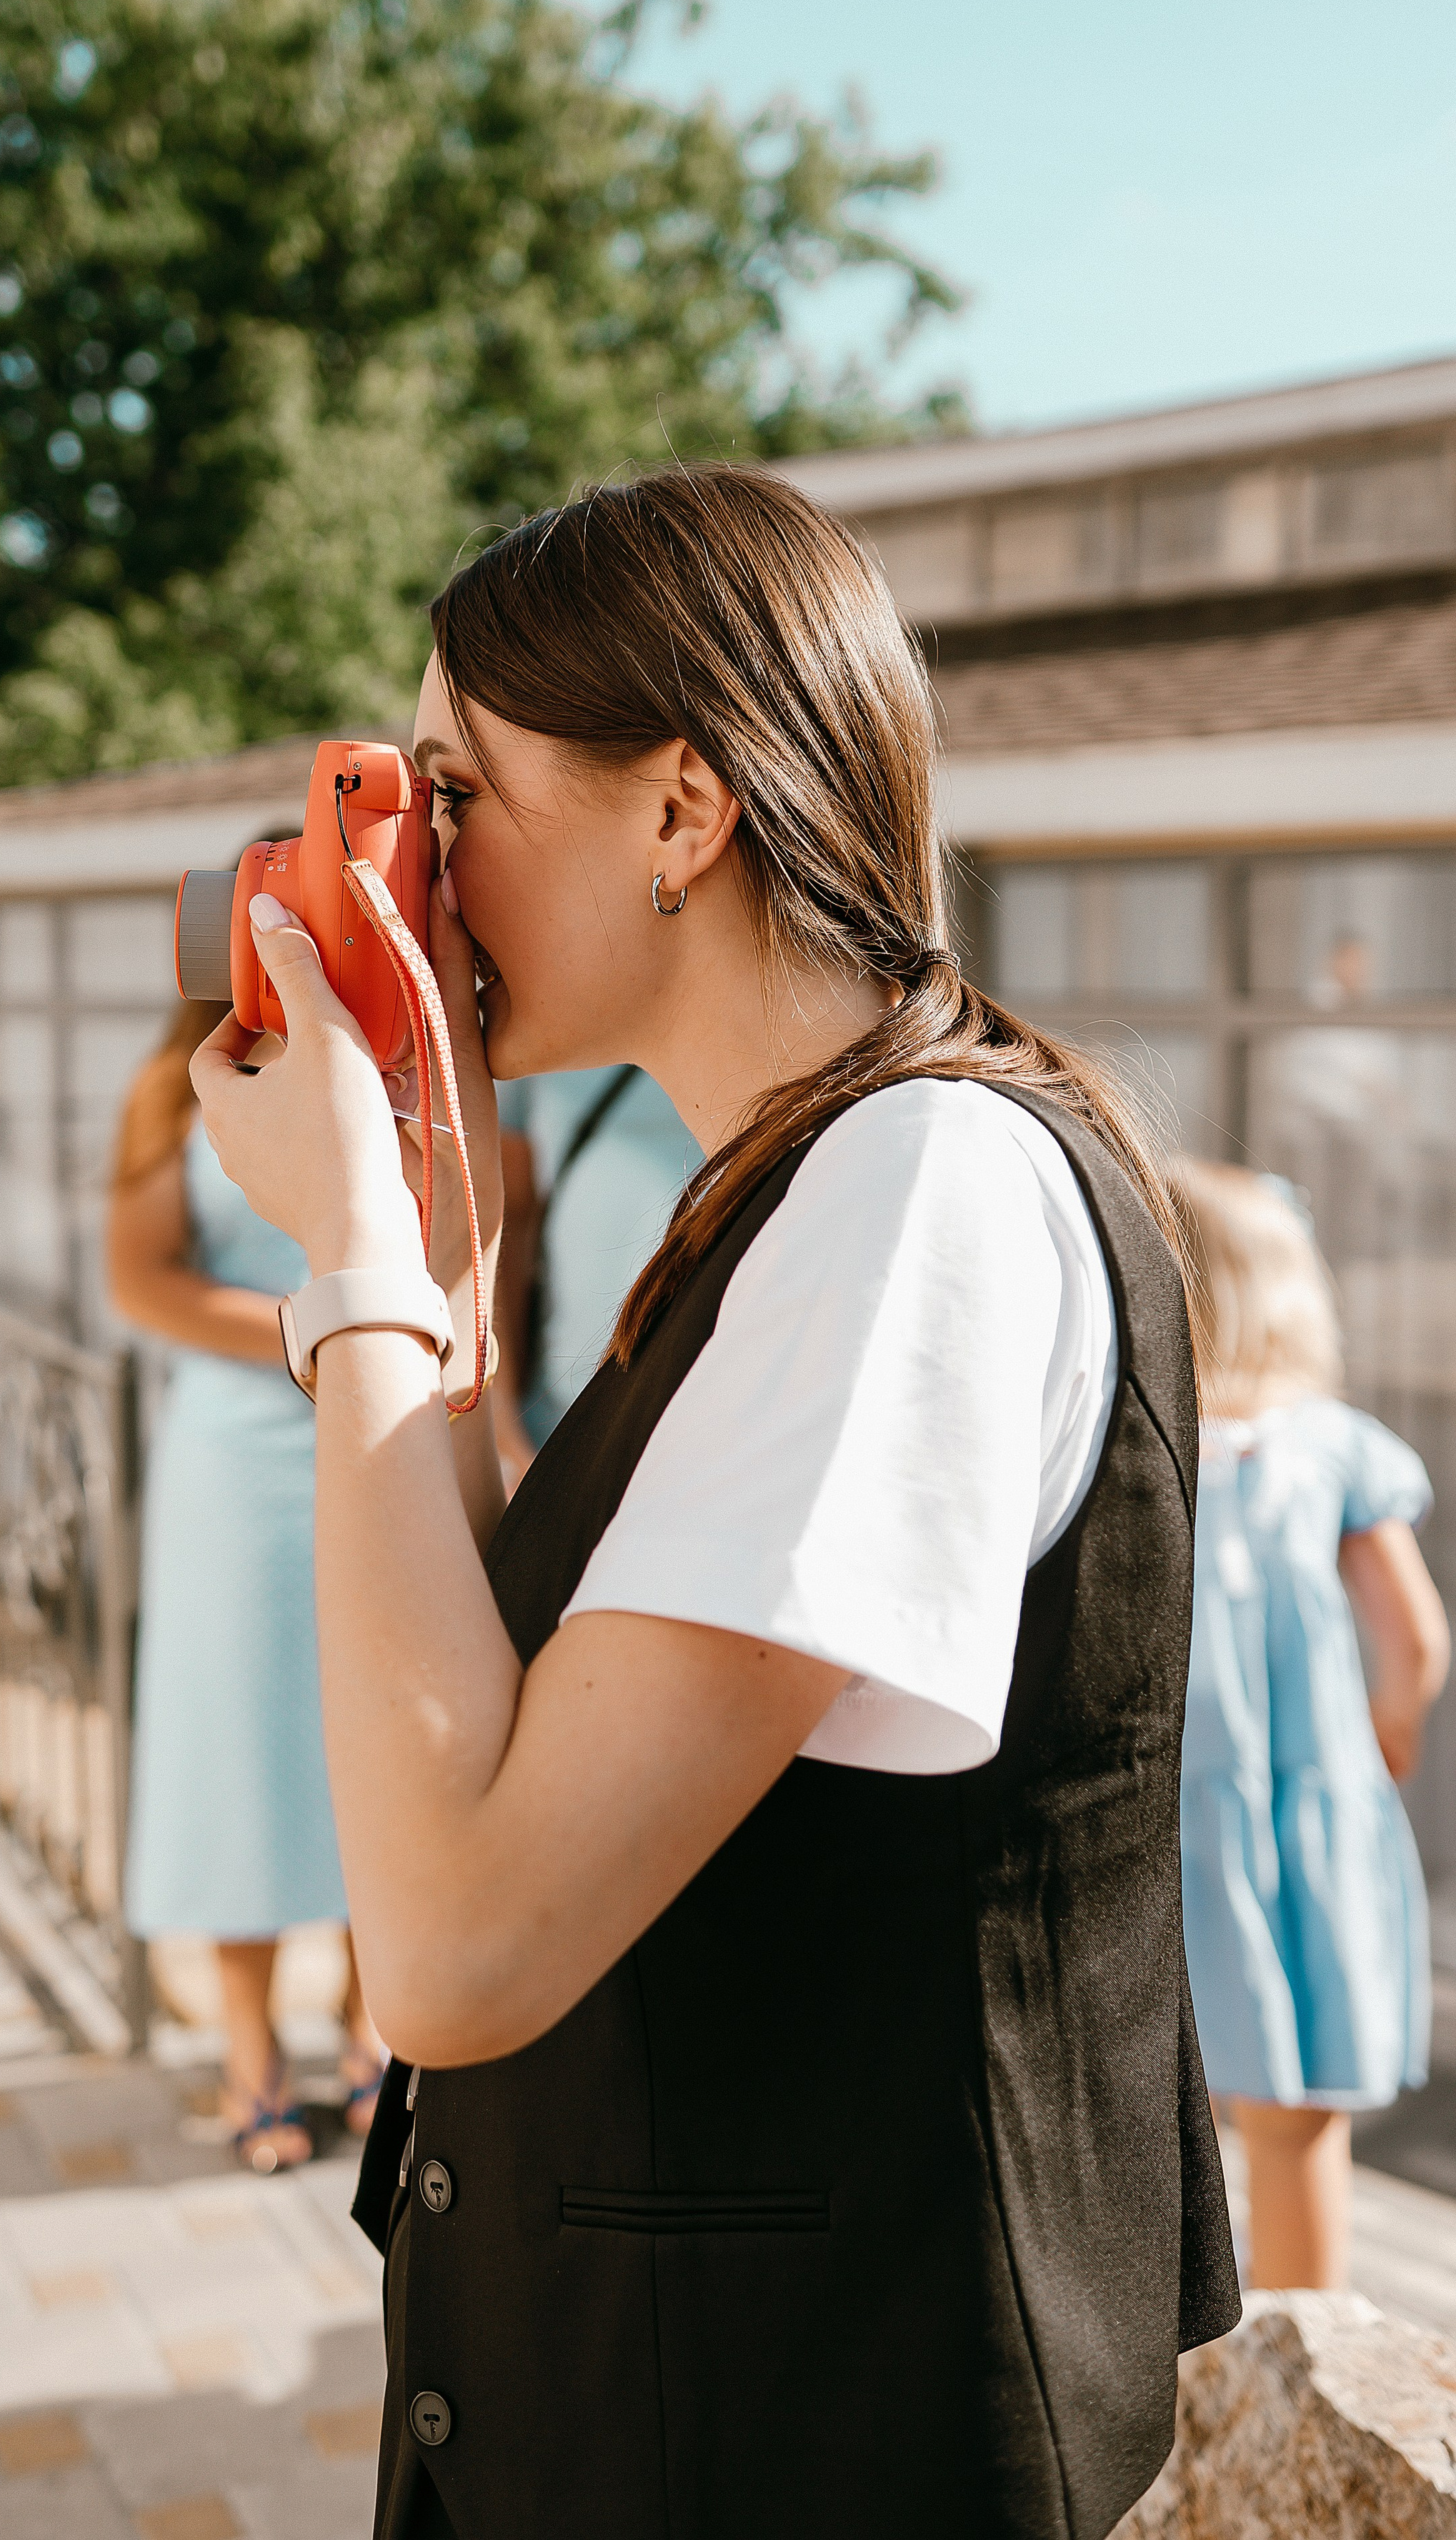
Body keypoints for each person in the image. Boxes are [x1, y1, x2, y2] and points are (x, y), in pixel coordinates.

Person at [188, 466, 1240, 2539]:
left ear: (683, 812)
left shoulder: (919, 1191)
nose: (414, 869)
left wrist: (357, 1293)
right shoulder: (800, 1176)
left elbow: (461, 1943)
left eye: (453, 793)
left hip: (808, 2442)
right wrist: (414, 1221)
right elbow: (499, 1685)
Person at [106, 1000, 385, 2171]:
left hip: (377, 1431)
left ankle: (377, 2040)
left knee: (377, 1736)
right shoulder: (175, 1081)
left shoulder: (404, 1060)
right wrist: (307, 1329)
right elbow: (142, 1281)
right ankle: (250, 2058)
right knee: (242, 1749)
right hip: (238, 1451)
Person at [1175, 1157, 1449, 2289]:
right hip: (1307, 1812)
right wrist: (1388, 1738)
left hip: (1167, 1808)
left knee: (1155, 2102)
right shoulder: (1333, 1443)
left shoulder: (1145, 1438)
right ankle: (1303, 2340)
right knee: (1296, 2117)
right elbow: (1417, 1640)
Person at [493, 1067, 701, 1468]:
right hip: (559, 1434)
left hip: (707, 1439)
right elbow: (504, 1222)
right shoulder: (525, 1033)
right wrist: (506, 1440)